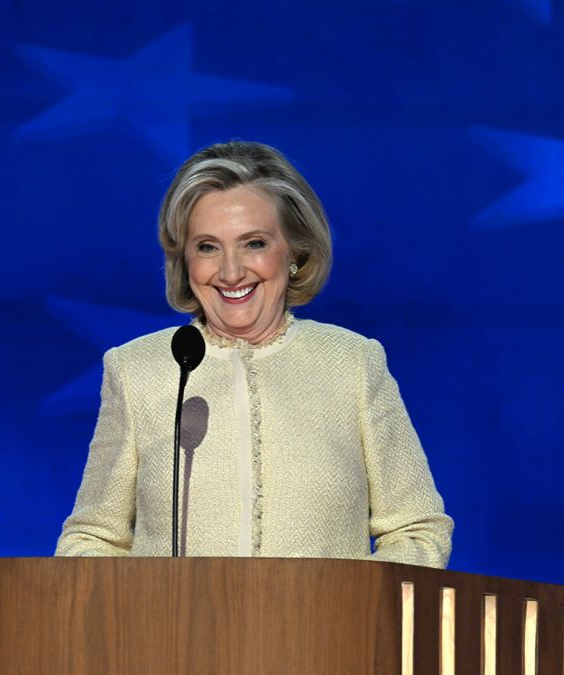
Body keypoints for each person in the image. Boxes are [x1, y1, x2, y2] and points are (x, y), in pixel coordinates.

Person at [55, 141, 452, 567]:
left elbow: (418, 530)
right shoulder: (138, 371)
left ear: (296, 252)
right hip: (172, 633)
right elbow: (91, 538)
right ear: (185, 260)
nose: (230, 271)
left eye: (254, 243)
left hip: (326, 631)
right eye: (207, 247)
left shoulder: (353, 363)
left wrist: (345, 603)